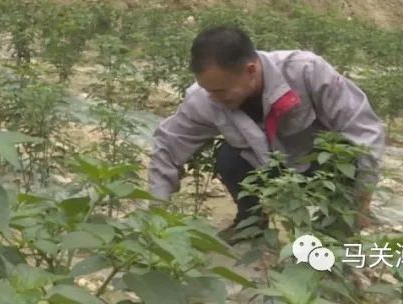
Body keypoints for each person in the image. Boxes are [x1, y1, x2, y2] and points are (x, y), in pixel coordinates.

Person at [147, 25, 386, 241]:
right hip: (266, 166)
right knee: (228, 157)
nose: (214, 98)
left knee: (349, 157)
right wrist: (157, 215)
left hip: (319, 166)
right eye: (208, 90)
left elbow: (364, 132)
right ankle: (251, 223)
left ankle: (333, 233)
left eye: (221, 90)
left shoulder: (306, 71)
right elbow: (168, 146)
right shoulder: (206, 97)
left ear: (250, 70)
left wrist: (362, 200)